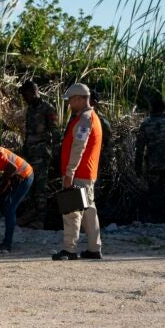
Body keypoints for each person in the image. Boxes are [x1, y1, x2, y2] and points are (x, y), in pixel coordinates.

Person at [52, 83, 103, 261]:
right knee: (89, 211)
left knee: (72, 211)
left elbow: (78, 148)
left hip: (79, 172)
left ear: (81, 99)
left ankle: (69, 250)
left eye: (71, 100)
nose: (69, 104)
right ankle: (94, 248)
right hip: (87, 173)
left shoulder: (84, 119)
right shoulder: (91, 117)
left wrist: (69, 173)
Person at [134, 96, 165, 223]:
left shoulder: (146, 124)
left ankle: (156, 220)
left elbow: (139, 149)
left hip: (153, 166)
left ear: (152, 110)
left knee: (155, 193)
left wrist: (138, 168)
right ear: (164, 110)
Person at [18, 81, 60, 229]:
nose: (24, 97)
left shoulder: (47, 109)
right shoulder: (30, 109)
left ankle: (40, 220)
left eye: (25, 94)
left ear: (33, 92)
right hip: (30, 152)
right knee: (30, 185)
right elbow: (28, 133)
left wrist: (56, 153)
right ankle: (30, 216)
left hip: (42, 154)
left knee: (40, 187)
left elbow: (55, 132)